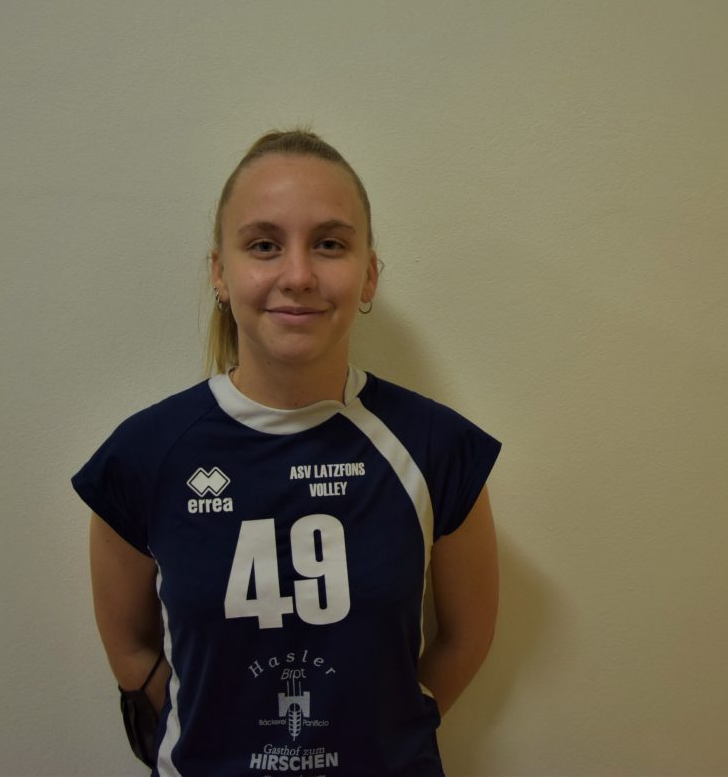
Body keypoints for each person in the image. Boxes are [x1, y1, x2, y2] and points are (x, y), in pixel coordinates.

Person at [72, 129, 502, 776]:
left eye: (329, 244)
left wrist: (385, 736)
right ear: (220, 273)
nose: (298, 276)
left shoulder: (438, 449)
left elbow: (466, 637)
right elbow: (132, 652)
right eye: (264, 245)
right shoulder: (142, 457)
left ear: (369, 274)